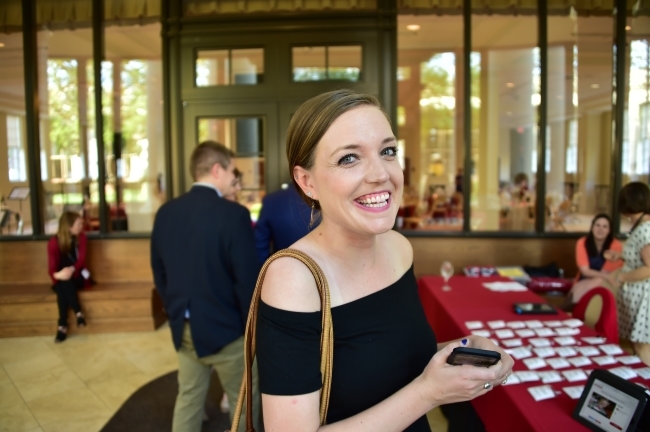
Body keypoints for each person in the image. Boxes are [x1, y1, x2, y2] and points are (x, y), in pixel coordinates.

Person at [255, 89, 514, 431]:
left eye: (388, 151)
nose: (381, 174)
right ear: (307, 182)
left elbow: (386, 355)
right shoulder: (293, 278)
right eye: (349, 158)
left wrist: (461, 350)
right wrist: (428, 393)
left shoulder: (398, 248)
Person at [150, 141, 262, 432]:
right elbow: (246, 281)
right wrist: (251, 328)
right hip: (227, 330)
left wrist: (176, 311)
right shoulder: (234, 215)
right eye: (230, 170)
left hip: (184, 326)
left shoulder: (166, 213)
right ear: (217, 170)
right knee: (245, 402)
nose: (232, 177)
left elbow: (159, 272)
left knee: (188, 398)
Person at [608, 181, 650, 366]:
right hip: (635, 296)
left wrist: (621, 277)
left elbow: (649, 267)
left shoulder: (645, 229)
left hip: (643, 299)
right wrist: (620, 254)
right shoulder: (642, 226)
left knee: (642, 347)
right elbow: (638, 255)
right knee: (637, 346)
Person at [564, 214, 623, 307]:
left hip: (607, 282)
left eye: (605, 226)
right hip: (585, 279)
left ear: (609, 230)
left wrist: (605, 277)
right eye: (597, 225)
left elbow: (606, 273)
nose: (600, 229)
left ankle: (574, 307)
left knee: (598, 280)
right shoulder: (582, 242)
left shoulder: (615, 245)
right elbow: (585, 271)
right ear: (592, 227)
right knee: (593, 281)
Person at [47, 211, 88, 343]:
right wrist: (59, 274)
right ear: (69, 226)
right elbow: (52, 269)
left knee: (63, 286)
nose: (81, 226)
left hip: (78, 275)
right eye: (78, 224)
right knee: (63, 284)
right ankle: (78, 313)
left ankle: (62, 326)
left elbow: (81, 260)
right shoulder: (53, 243)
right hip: (62, 278)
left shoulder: (82, 238)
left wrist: (70, 269)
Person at [254, 183, 314, 263]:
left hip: (281, 269)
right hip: (325, 271)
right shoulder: (328, 199)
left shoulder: (272, 200)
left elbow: (260, 247)